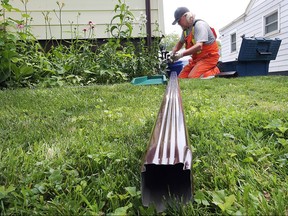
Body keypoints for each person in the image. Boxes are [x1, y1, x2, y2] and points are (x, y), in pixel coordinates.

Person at [170, 7, 220, 79]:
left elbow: (199, 46)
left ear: (186, 16)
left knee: (193, 77)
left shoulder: (200, 25)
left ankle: (215, 70)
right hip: (197, 59)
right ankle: (201, 70)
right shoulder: (186, 30)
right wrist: (173, 52)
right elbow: (180, 43)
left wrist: (181, 54)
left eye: (179, 21)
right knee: (181, 77)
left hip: (209, 58)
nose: (178, 24)